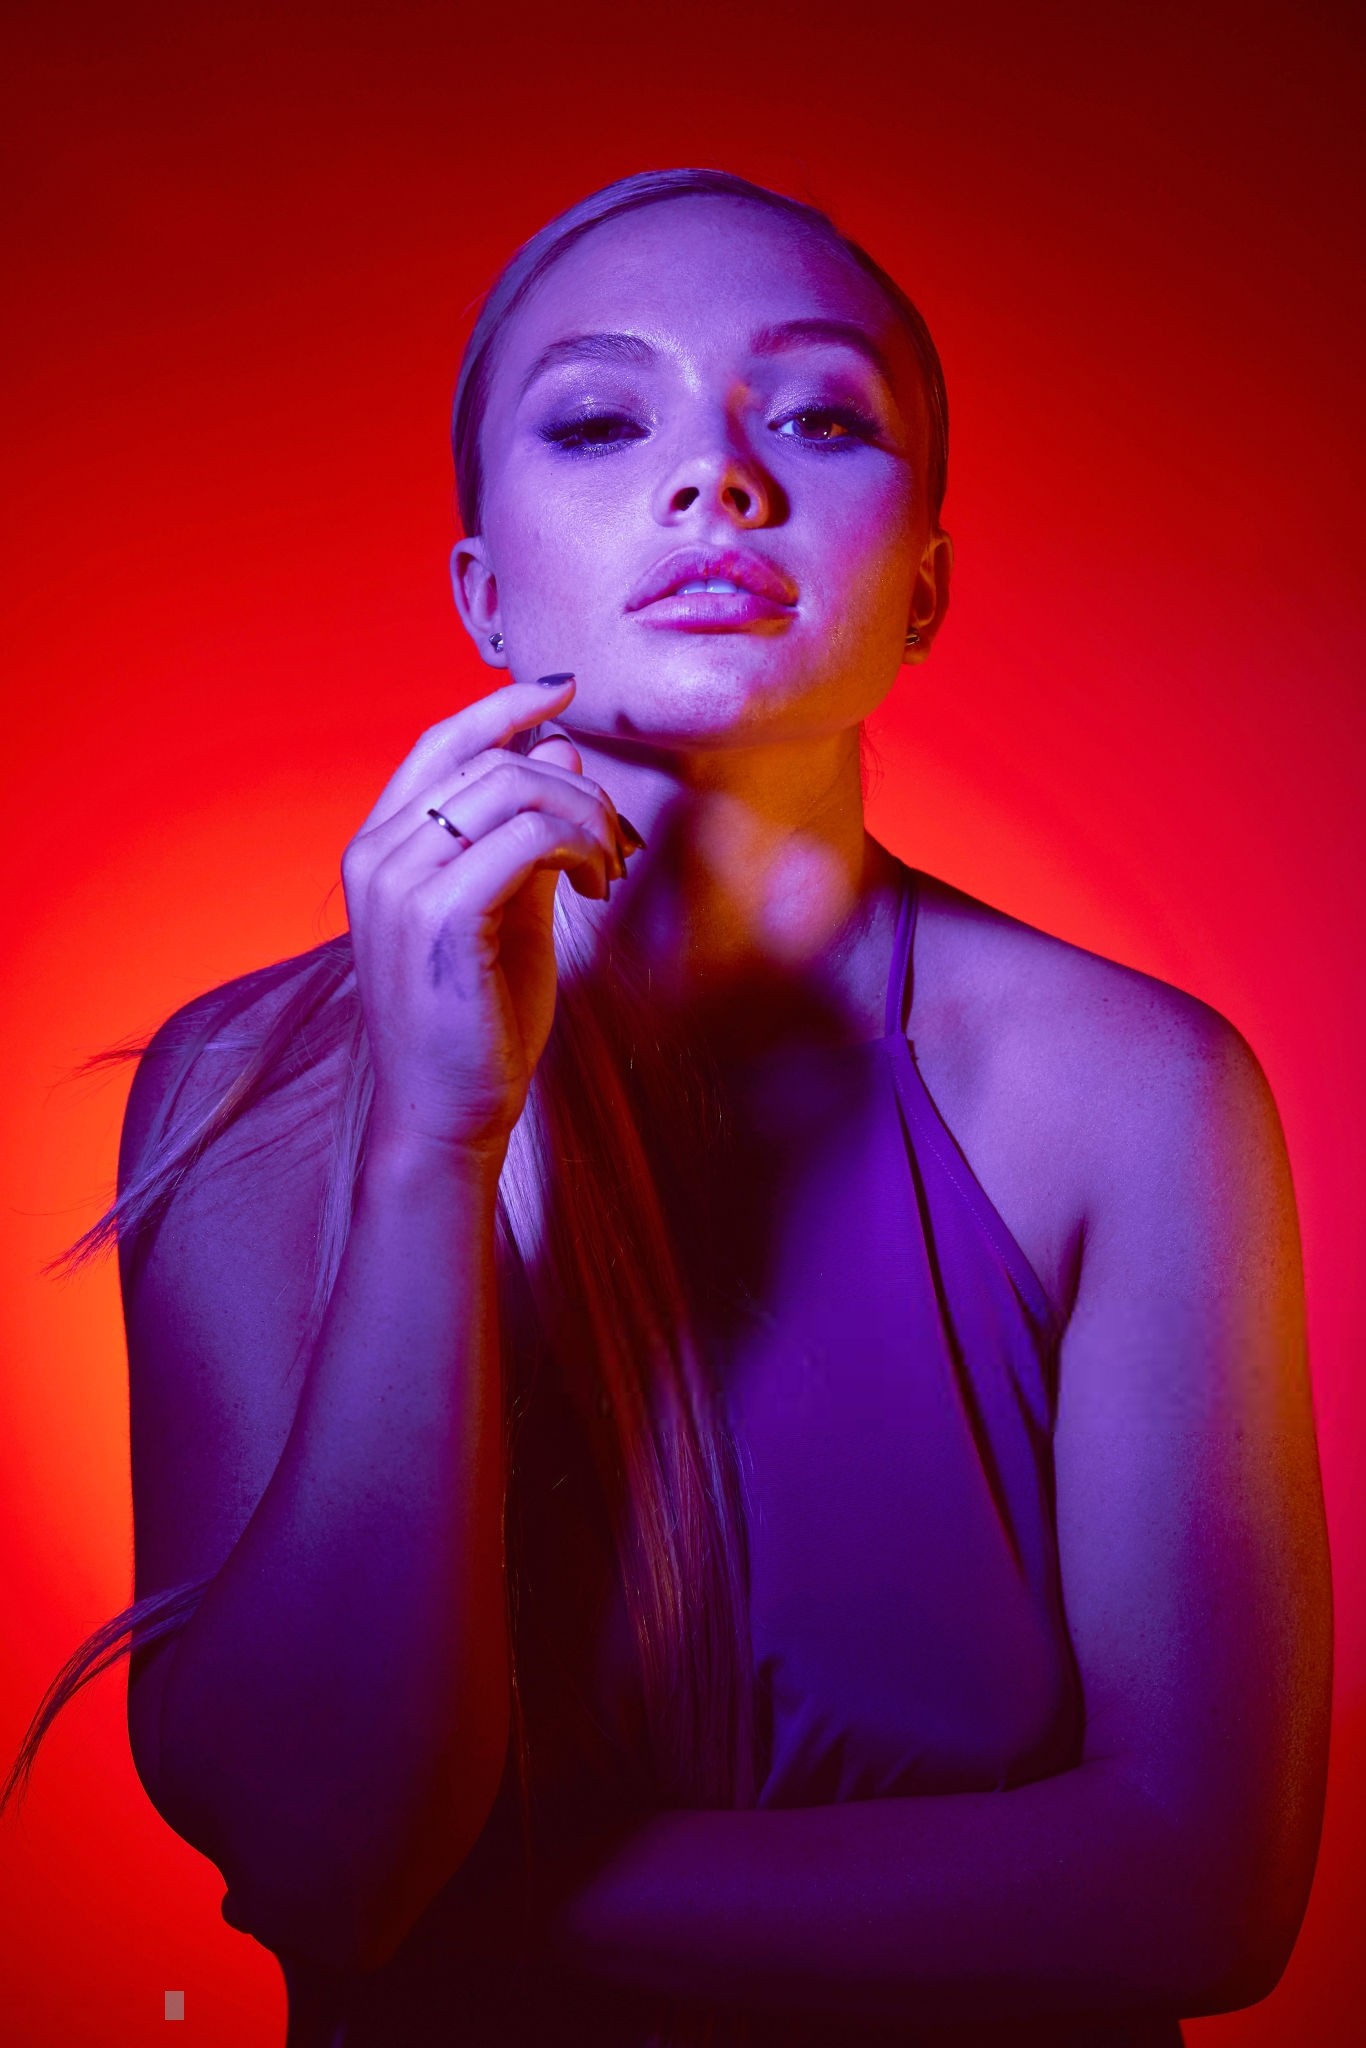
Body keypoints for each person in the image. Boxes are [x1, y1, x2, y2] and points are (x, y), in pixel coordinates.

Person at [3, 166, 1332, 2048]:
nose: (717, 479)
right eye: (600, 422)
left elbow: (1200, 1891)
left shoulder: (1136, 1092)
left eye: (818, 418)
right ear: (481, 590)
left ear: (926, 583)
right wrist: (432, 1150)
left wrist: (474, 1910)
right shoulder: (248, 1086)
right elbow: (319, 1840)